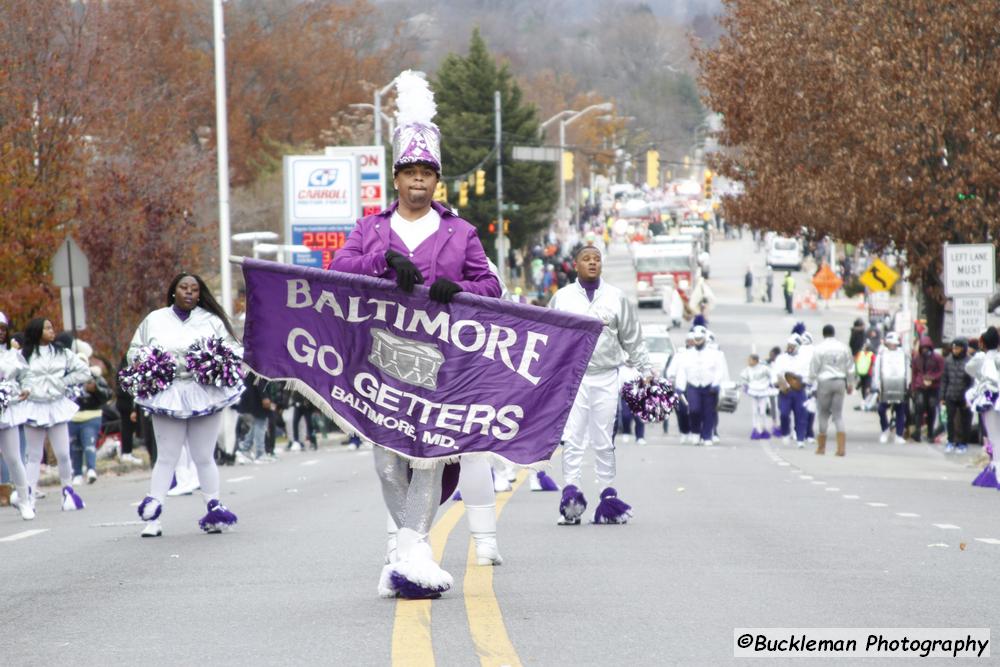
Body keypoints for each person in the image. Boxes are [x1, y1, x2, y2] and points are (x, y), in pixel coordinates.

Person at [329, 71, 502, 597]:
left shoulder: (462, 231)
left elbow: (492, 285)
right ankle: (410, 548)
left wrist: (461, 287)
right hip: (379, 358)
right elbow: (338, 269)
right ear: (397, 179)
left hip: (440, 360)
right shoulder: (370, 228)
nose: (419, 182)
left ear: (437, 181)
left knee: (428, 454)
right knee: (386, 456)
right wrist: (383, 260)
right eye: (411, 173)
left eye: (428, 173)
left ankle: (412, 548)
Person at [127, 273, 244, 538]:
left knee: (204, 456)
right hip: (167, 393)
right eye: (183, 288)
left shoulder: (212, 320)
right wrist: (148, 366)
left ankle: (214, 511)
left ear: (200, 294)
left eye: (194, 289)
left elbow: (232, 352)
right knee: (166, 456)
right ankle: (152, 518)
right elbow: (135, 352)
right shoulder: (154, 320)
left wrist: (216, 364)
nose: (189, 293)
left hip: (204, 392)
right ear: (173, 291)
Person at [549, 244, 651, 523]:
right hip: (574, 378)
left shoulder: (616, 298)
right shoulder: (562, 298)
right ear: (576, 265)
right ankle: (571, 498)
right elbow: (549, 337)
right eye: (586, 259)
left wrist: (647, 370)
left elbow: (632, 339)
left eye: (596, 259)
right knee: (573, 438)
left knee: (604, 439)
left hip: (607, 376)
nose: (592, 263)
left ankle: (608, 499)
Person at [20, 318, 92, 511]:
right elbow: (14, 376)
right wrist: (25, 389)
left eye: (52, 327)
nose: (52, 331)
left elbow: (84, 372)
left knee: (63, 453)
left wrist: (64, 382)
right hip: (34, 407)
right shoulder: (24, 355)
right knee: (33, 456)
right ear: (36, 331)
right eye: (47, 328)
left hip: (56, 406)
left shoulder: (63, 352)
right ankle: (29, 497)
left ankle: (68, 493)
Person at [0, 312, 34, 520]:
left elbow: (26, 374)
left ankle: (24, 500)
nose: (1, 333)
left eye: (3, 329)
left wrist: (27, 388)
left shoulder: (12, 355)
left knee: (13, 457)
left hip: (7, 411)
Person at [675, 326, 726, 447]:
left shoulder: (715, 354)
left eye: (700, 339)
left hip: (709, 387)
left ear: (704, 339)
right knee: (694, 410)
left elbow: (720, 370)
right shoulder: (686, 354)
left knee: (709, 412)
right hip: (693, 386)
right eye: (696, 339)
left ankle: (707, 436)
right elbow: (682, 371)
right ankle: (696, 433)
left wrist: (716, 384)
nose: (698, 342)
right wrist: (679, 387)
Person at [808, 324, 854, 456]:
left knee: (823, 413)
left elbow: (813, 368)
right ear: (834, 333)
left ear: (823, 334)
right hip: (840, 381)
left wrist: (810, 382)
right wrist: (850, 383)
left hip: (824, 382)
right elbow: (850, 367)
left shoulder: (819, 348)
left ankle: (821, 447)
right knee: (838, 414)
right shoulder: (843, 347)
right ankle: (841, 448)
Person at [68, 364, 112, 485]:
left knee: (89, 444)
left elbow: (107, 395)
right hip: (73, 417)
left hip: (91, 416)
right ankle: (77, 473)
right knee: (75, 447)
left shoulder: (94, 378)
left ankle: (91, 469)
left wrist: (96, 389)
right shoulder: (68, 378)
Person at [871, 333, 909, 444]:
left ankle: (899, 434)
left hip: (899, 385)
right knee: (881, 409)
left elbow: (907, 369)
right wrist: (877, 384)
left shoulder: (902, 354)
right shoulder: (882, 354)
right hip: (885, 386)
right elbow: (877, 369)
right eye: (890, 343)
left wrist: (907, 384)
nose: (892, 345)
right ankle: (885, 430)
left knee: (900, 410)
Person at [773, 335, 809, 447]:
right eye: (788, 346)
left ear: (797, 347)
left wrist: (801, 381)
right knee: (784, 414)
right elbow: (775, 373)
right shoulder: (781, 358)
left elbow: (808, 375)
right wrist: (777, 383)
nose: (789, 348)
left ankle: (800, 439)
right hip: (785, 392)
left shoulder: (804, 359)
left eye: (792, 346)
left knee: (800, 415)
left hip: (799, 391)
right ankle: (785, 433)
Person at [940, 338, 972, 453]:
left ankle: (963, 443)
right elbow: (944, 379)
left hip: (964, 396)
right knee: (950, 419)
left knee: (965, 420)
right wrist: (942, 396)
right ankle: (950, 441)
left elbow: (971, 381)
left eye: (957, 348)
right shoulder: (948, 361)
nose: (955, 350)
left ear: (963, 349)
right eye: (953, 348)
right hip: (951, 394)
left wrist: (970, 396)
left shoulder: (969, 361)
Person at [910, 335, 944, 443]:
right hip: (920, 385)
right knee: (919, 408)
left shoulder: (937, 358)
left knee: (931, 408)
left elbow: (942, 371)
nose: (925, 350)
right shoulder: (917, 358)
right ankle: (918, 431)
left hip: (933, 387)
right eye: (923, 348)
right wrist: (914, 387)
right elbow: (914, 373)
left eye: (927, 348)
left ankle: (930, 433)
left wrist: (933, 377)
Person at [666, 332, 696, 442]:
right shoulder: (680, 355)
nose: (692, 343)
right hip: (680, 387)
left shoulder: (699, 355)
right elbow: (671, 371)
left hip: (694, 386)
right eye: (690, 341)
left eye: (694, 341)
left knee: (695, 410)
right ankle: (684, 431)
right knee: (681, 411)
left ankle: (694, 431)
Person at [739, 353, 776, 440]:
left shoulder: (764, 369)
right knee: (755, 411)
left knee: (762, 412)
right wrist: (745, 386)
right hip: (753, 391)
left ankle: (763, 429)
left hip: (763, 392)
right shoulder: (747, 370)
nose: (748, 362)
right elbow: (743, 378)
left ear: (755, 361)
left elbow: (772, 376)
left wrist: (771, 384)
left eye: (750, 360)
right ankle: (755, 429)